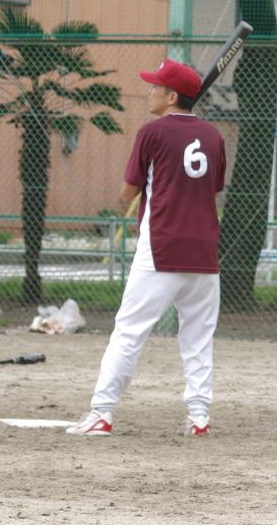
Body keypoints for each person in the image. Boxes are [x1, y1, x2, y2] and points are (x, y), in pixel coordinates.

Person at [67, 59, 226, 437]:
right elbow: (214, 189)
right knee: (198, 339)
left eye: (157, 87)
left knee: (129, 331)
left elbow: (128, 192)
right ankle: (199, 417)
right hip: (204, 253)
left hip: (161, 248)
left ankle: (101, 413)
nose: (150, 91)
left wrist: (129, 197)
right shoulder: (214, 136)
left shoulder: (152, 132)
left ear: (172, 97)